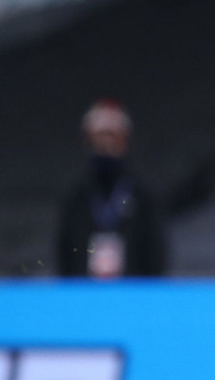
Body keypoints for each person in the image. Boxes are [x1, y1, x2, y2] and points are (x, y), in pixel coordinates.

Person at [56, 98, 167, 278]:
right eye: (100, 137)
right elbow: (65, 256)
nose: (106, 145)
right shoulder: (76, 200)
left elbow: (155, 256)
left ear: (125, 140)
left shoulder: (143, 199)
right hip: (84, 297)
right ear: (88, 140)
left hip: (132, 296)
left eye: (112, 137)